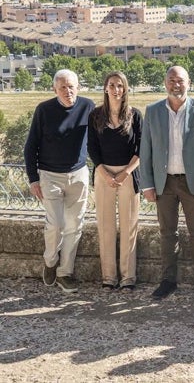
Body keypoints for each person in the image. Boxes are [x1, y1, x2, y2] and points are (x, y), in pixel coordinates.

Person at [140, 66, 194, 303]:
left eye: (180, 80)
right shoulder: (152, 111)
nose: (176, 84)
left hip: (192, 183)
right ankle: (168, 281)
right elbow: (146, 150)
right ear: (165, 83)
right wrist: (147, 184)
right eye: (172, 80)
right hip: (164, 184)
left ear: (189, 82)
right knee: (167, 234)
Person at [24, 69, 95, 294]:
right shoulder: (43, 110)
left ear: (78, 87)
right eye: (62, 87)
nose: (68, 91)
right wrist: (33, 179)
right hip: (49, 175)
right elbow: (30, 146)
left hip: (78, 175)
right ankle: (50, 260)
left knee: (75, 226)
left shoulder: (88, 106)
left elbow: (99, 137)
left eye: (71, 86)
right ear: (55, 89)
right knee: (55, 224)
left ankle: (65, 273)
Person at [87, 71, 142, 290]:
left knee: (129, 227)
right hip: (103, 174)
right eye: (112, 85)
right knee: (106, 226)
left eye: (120, 85)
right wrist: (104, 173)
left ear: (125, 89)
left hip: (128, 175)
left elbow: (141, 148)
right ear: (105, 88)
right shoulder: (95, 115)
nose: (116, 89)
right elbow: (91, 147)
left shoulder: (135, 115)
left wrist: (125, 172)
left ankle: (128, 277)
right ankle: (108, 277)